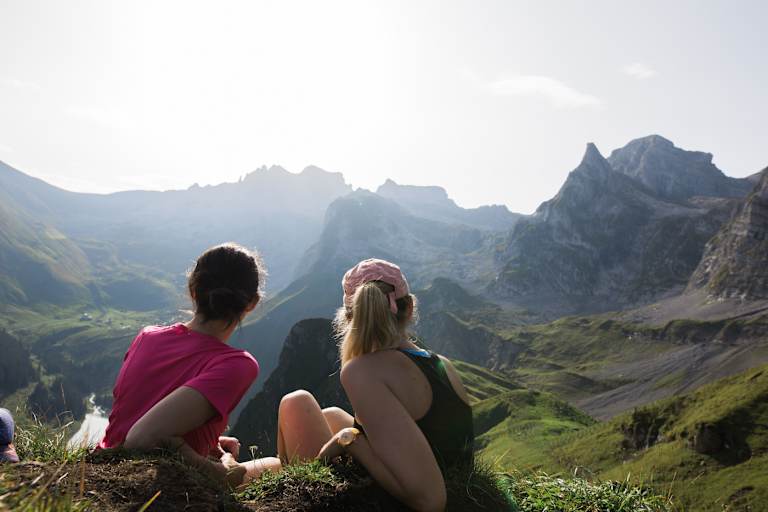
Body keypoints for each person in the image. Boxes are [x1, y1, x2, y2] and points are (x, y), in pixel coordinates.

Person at [276, 259, 474, 512]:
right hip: (440, 477)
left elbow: (431, 501)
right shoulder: (442, 364)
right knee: (331, 415)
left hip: (394, 500)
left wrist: (352, 442)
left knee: (296, 402)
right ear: (410, 308)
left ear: (349, 318)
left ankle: (281, 488)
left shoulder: (362, 371)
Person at [99, 243, 280, 486]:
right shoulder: (236, 365)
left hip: (102, 462)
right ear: (252, 303)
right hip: (151, 483)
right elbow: (142, 438)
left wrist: (209, 442)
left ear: (193, 290)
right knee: (279, 465)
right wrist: (219, 472)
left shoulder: (147, 337)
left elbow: (145, 409)